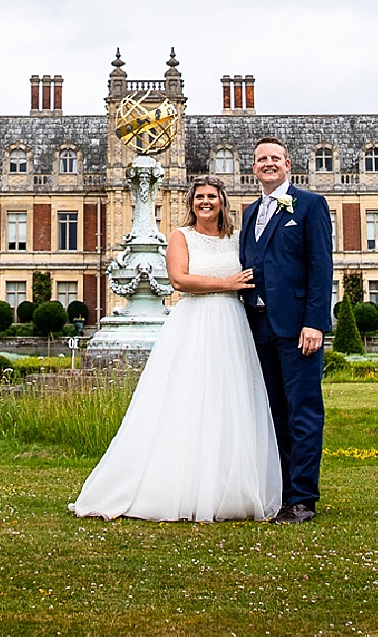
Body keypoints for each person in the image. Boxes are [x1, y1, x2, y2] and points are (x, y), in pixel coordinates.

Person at [69, 176, 283, 522]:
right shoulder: (180, 236)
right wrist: (226, 283)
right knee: (187, 400)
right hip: (196, 322)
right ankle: (178, 486)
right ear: (190, 203)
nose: (205, 202)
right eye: (199, 197)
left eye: (212, 196)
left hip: (232, 323)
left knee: (231, 402)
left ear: (222, 201)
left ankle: (228, 488)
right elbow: (179, 280)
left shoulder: (237, 238)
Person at [236, 135, 333, 523]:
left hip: (297, 327)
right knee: (274, 410)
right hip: (259, 325)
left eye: (275, 158)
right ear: (254, 167)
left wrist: (315, 322)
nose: (268, 164)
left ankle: (303, 498)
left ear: (288, 165)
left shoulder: (309, 205)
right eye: (261, 159)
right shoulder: (249, 212)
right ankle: (282, 491)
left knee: (303, 410)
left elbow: (321, 267)